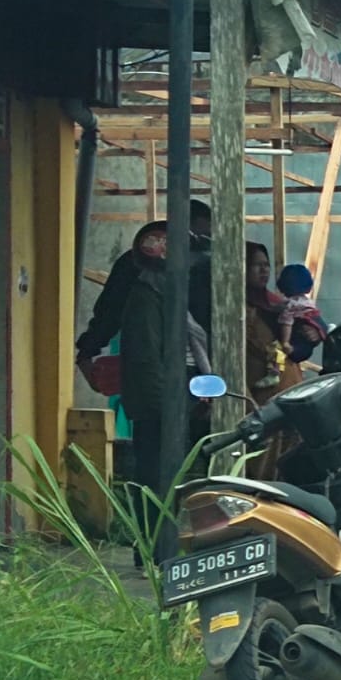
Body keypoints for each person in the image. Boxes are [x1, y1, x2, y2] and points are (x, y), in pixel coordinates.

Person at [117, 223, 211, 563]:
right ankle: (156, 551)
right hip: (160, 404)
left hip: (173, 399)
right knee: (157, 482)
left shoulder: (168, 294)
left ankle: (165, 549)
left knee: (167, 481)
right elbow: (146, 360)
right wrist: (168, 410)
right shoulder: (147, 296)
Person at [76, 201, 213, 394]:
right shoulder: (136, 271)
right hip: (152, 379)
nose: (195, 245)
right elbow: (109, 311)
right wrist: (88, 352)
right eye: (194, 237)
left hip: (195, 376)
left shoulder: (207, 269)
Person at [243, 243, 306, 481]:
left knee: (289, 455)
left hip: (290, 392)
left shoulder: (280, 306)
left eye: (266, 265)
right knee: (262, 455)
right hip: (259, 397)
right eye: (256, 265)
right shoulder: (235, 307)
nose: (264, 271)